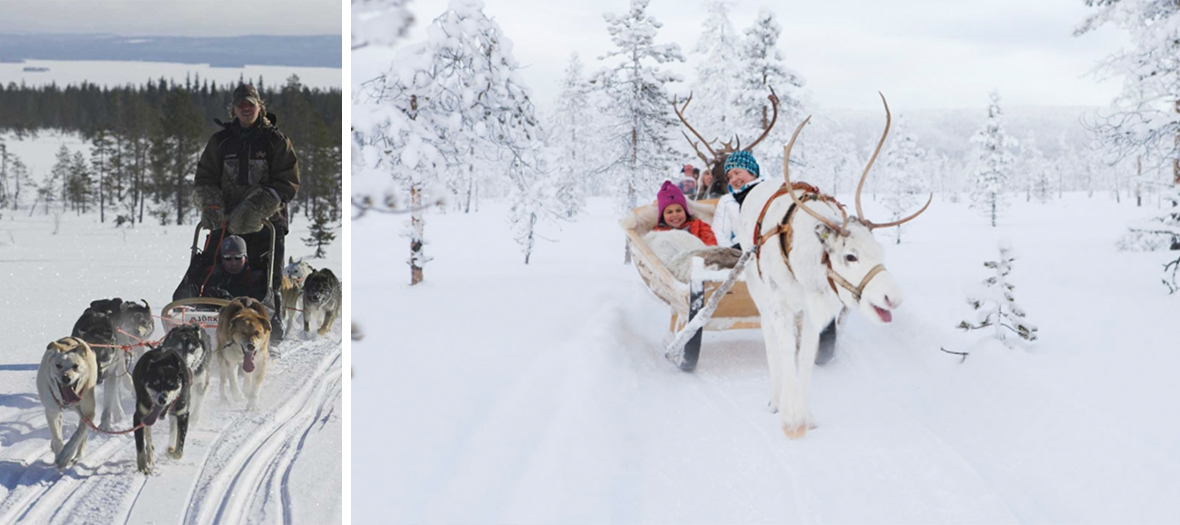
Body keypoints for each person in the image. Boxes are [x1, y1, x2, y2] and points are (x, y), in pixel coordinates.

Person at [192, 84, 299, 342]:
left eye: (250, 103)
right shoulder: (221, 142)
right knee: (216, 270)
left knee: (266, 278)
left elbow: (287, 181)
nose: (246, 108)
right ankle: (213, 318)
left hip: (266, 224)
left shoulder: (276, 141)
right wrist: (211, 206)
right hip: (226, 222)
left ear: (260, 106)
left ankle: (268, 325)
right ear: (234, 109)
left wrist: (257, 208)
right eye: (241, 104)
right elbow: (205, 177)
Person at [173, 235, 268, 303]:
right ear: (222, 260)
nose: (233, 262)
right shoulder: (210, 275)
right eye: (228, 258)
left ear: (246, 258)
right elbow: (180, 298)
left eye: (238, 257)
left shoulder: (256, 278)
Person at [712, 150, 764, 248]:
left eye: (737, 173)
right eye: (729, 177)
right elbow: (720, 233)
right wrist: (733, 253)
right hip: (738, 253)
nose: (733, 179)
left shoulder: (767, 193)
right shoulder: (727, 201)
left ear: (752, 172)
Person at [653, 180, 717, 246]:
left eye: (679, 210)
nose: (675, 215)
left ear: (685, 211)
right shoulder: (658, 233)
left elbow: (711, 244)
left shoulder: (699, 226)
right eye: (669, 212)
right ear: (662, 215)